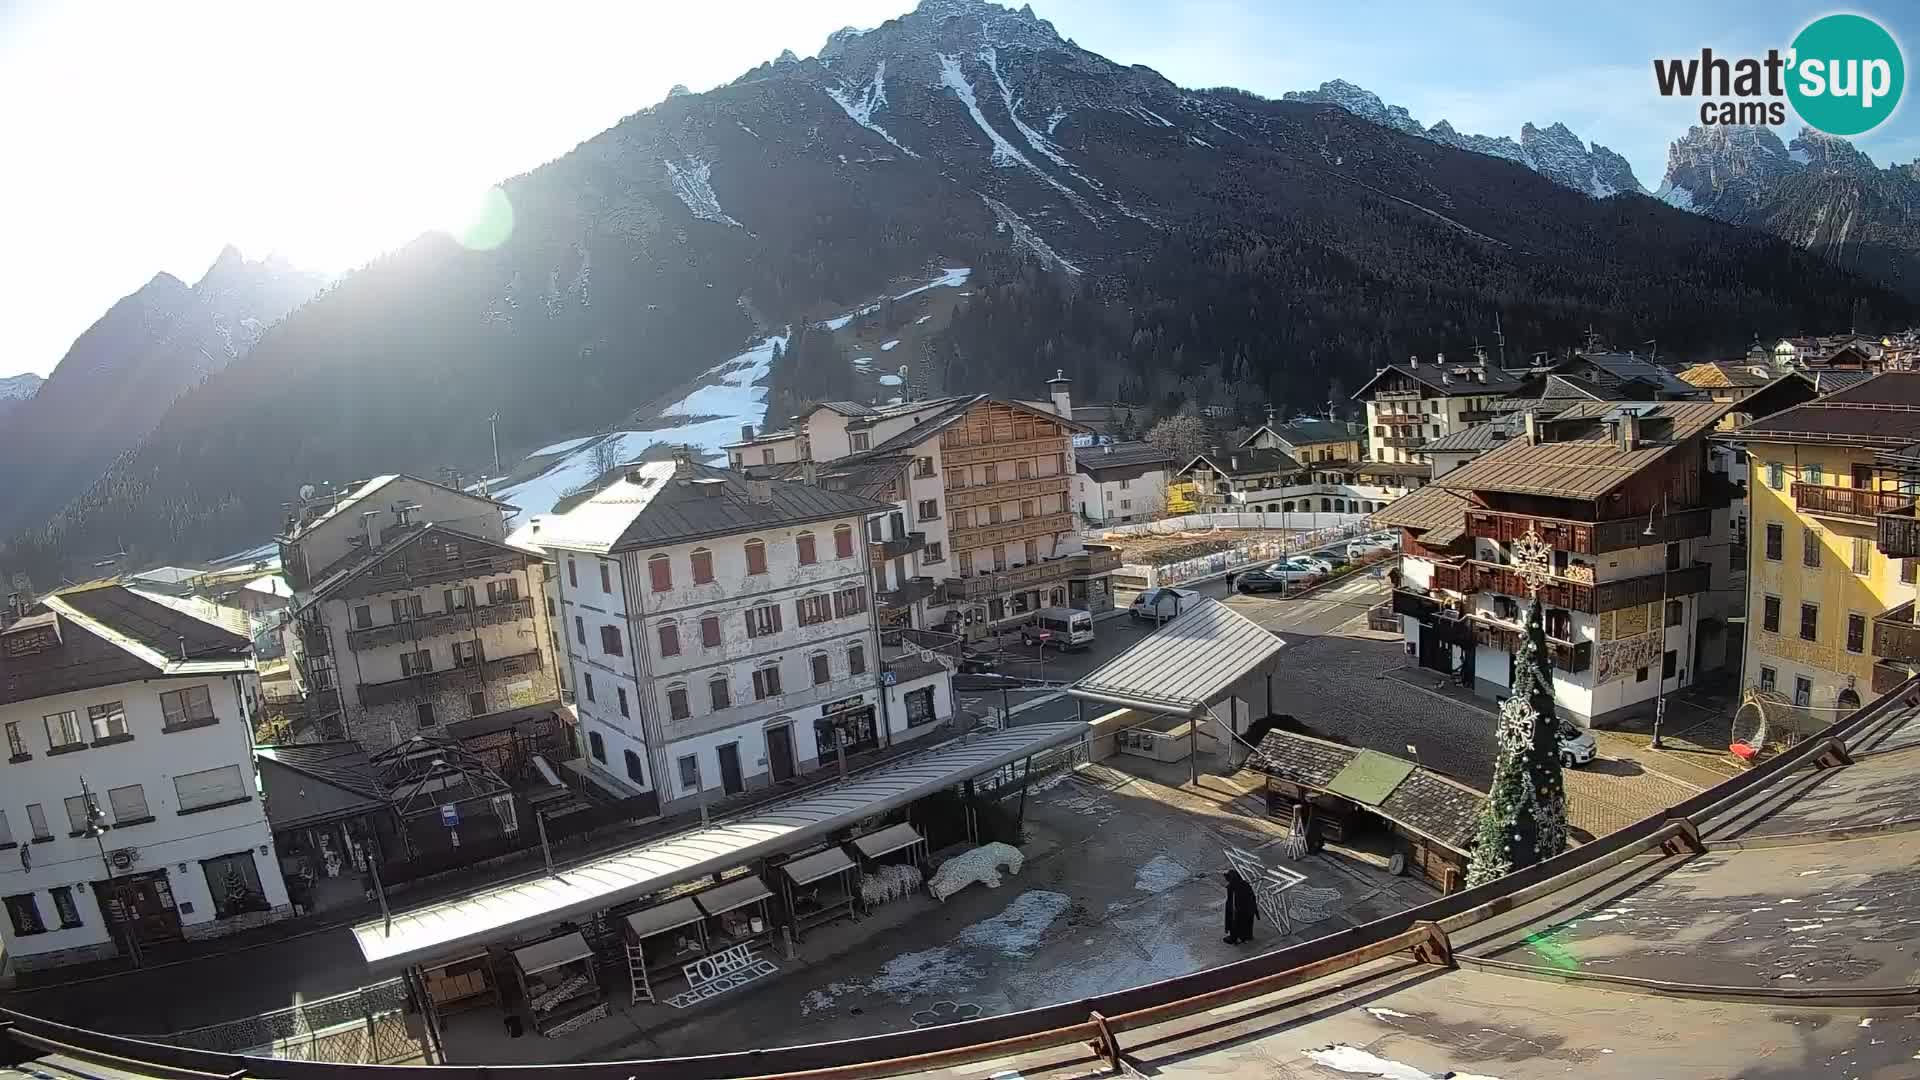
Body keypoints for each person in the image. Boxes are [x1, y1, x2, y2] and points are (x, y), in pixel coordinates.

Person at [1223, 868, 1258, 945]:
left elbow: (1231, 903)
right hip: (1249, 909)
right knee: (1247, 923)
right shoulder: (1245, 884)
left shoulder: (1232, 887)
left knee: (1235, 923)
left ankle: (1234, 938)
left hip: (1238, 911)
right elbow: (1252, 897)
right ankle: (1247, 936)